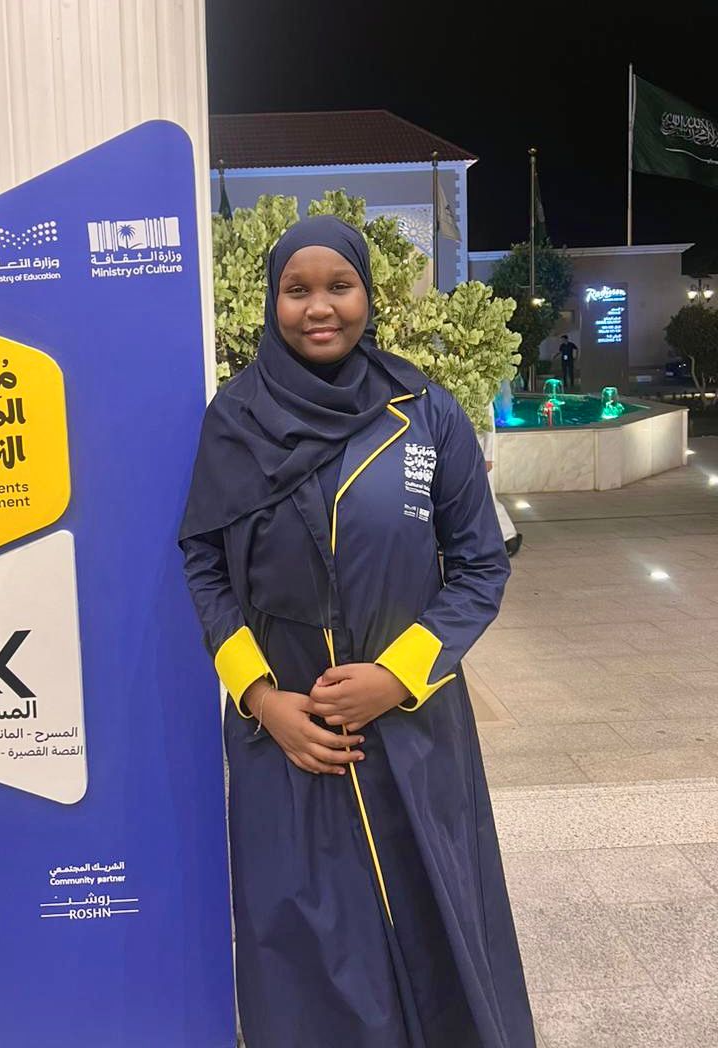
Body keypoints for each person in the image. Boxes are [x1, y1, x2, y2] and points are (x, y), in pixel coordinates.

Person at [180, 216, 534, 1047]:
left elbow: (480, 567)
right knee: (308, 949)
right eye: (296, 289)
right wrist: (261, 699)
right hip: (289, 742)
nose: (319, 307)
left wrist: (396, 676)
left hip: (412, 732)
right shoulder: (234, 419)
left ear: (367, 295)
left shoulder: (424, 415)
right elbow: (204, 564)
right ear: (271, 303)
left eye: (339, 286)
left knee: (434, 921)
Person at [481, 399, 522, 557]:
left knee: (487, 497)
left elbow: (489, 423)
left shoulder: (482, 392)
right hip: (463, 450)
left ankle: (508, 536)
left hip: (479, 452)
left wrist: (488, 456)